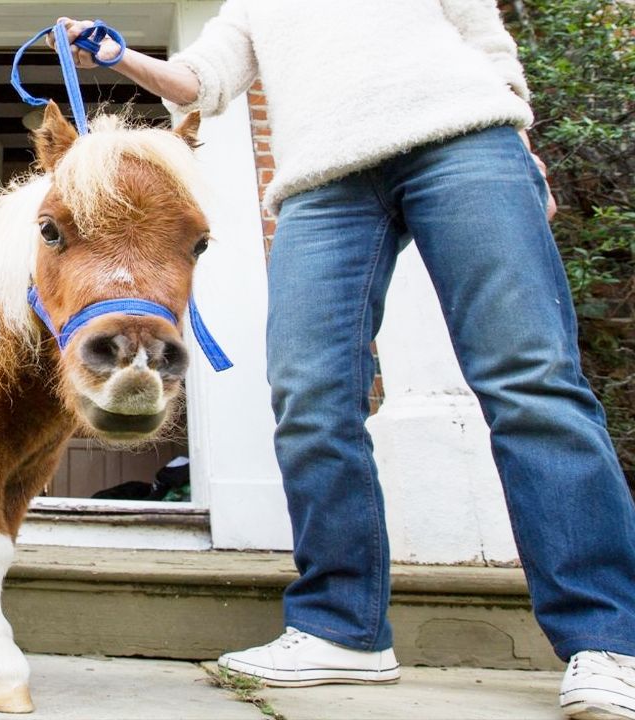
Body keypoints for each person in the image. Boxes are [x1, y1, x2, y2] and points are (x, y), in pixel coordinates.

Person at [50, 3, 635, 718]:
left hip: (467, 142)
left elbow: (487, 42)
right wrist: (117, 56)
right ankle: (342, 629)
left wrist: (521, 138)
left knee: (529, 378)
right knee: (309, 394)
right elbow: (198, 79)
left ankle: (609, 639)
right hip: (322, 182)